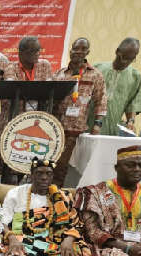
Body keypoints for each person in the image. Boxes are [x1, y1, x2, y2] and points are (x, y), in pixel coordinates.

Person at [0, 37, 53, 185]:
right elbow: (13, 89)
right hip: (14, 121)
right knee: (12, 164)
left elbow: (48, 88)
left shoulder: (44, 66)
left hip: (36, 123)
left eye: (38, 49)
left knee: (32, 162)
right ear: (21, 52)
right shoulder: (11, 68)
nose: (37, 53)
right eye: (32, 50)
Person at [52, 38, 107, 187]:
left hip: (76, 129)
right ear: (70, 51)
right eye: (75, 48)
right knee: (51, 165)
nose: (78, 52)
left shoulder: (95, 75)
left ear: (87, 52)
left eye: (83, 49)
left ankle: (55, 198)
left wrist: (97, 125)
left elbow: (101, 100)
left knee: (61, 167)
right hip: (55, 127)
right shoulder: (59, 74)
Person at [87, 38, 141, 136]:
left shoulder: (135, 76)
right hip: (89, 123)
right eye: (124, 57)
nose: (127, 62)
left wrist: (130, 121)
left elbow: (133, 102)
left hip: (112, 128)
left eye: (131, 59)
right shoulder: (97, 69)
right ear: (117, 51)